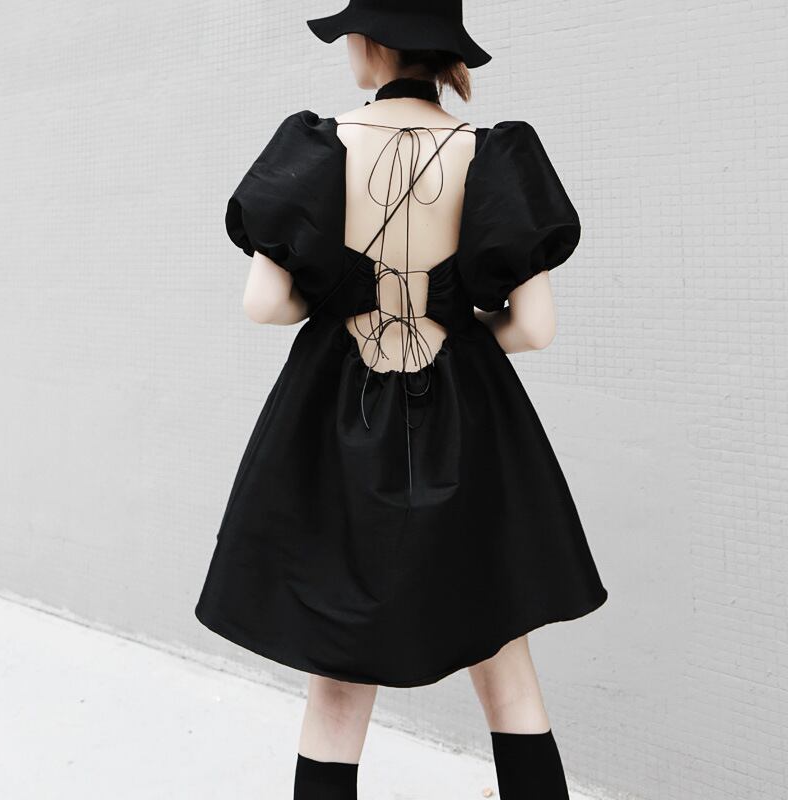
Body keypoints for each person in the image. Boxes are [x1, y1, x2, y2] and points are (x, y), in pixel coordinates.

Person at [195, 1, 609, 797]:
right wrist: (461, 329)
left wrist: (335, 305)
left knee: (338, 678)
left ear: (373, 43)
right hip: (471, 420)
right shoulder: (495, 155)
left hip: (336, 418)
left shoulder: (315, 147)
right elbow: (535, 328)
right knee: (505, 663)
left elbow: (265, 305)